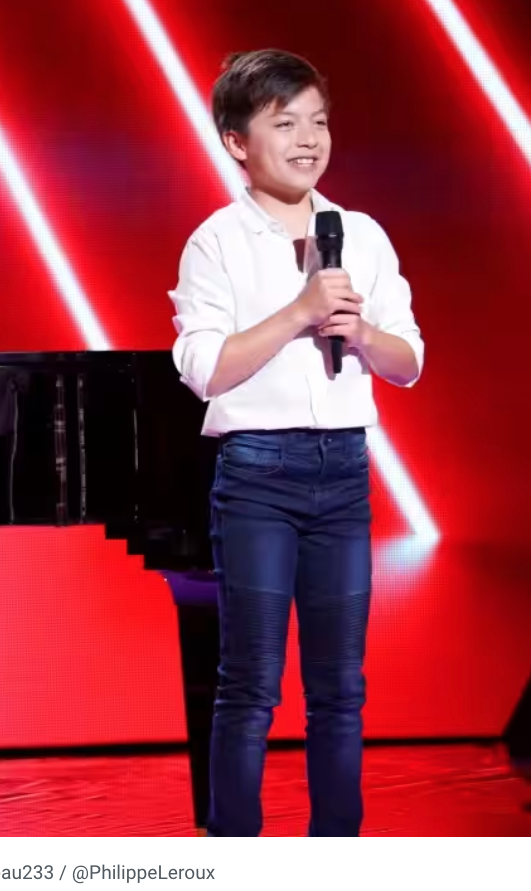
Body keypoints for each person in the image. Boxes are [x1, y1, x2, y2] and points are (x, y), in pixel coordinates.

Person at [168, 49, 424, 836]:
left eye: (318, 121)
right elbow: (204, 369)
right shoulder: (215, 242)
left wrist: (364, 332)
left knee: (341, 689)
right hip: (257, 477)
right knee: (250, 686)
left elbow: (408, 362)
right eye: (285, 124)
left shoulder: (361, 235)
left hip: (342, 473)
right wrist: (299, 312)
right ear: (236, 141)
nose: (309, 139)